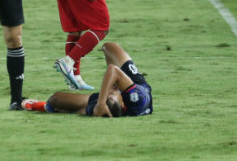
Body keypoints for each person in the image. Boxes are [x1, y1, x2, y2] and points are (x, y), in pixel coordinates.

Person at [23, 42, 152, 117]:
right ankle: (118, 80)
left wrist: (97, 104)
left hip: (102, 104)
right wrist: (102, 101)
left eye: (107, 96)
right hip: (134, 82)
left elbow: (82, 110)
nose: (110, 91)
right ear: (123, 103)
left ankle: (43, 106)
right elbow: (113, 69)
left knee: (55, 100)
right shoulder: (137, 99)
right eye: (113, 94)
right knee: (109, 47)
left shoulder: (98, 107)